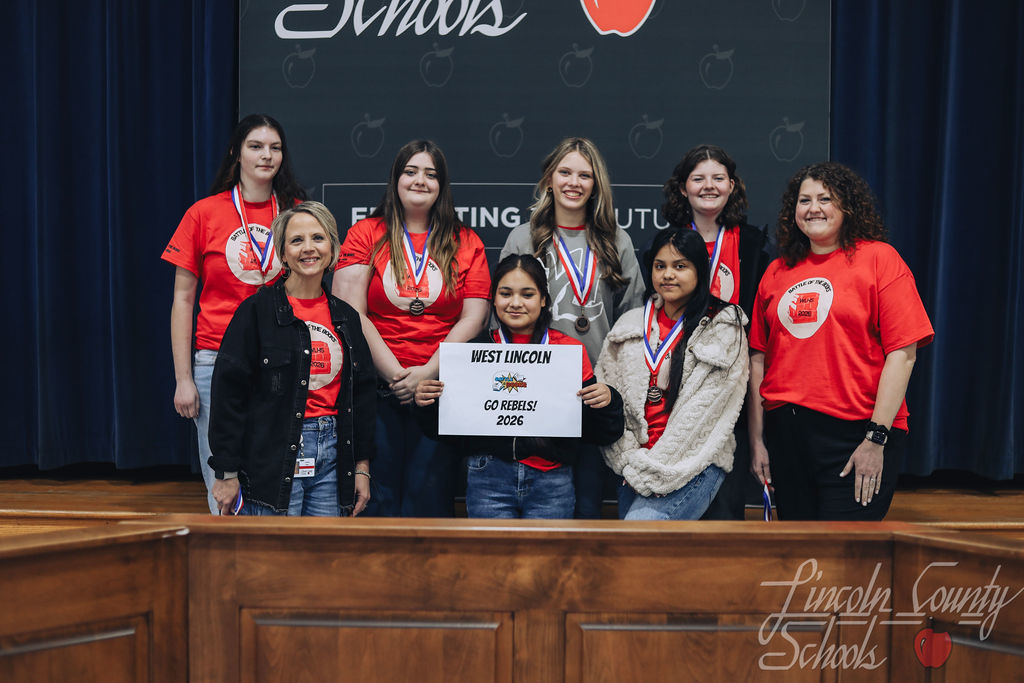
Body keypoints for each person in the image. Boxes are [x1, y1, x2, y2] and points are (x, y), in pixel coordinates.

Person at [748, 162, 934, 521]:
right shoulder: (777, 271)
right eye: (804, 200)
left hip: (856, 436)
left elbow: (903, 354)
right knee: (800, 558)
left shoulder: (880, 259)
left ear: (847, 206)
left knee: (847, 558)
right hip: (787, 437)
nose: (813, 207)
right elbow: (759, 358)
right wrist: (757, 441)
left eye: (825, 198)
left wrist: (876, 438)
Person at [332, 140, 490, 517]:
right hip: (376, 389)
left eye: (431, 174)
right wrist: (397, 376)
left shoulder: (465, 241)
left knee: (429, 499)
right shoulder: (365, 234)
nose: (420, 180)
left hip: (439, 390)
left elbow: (474, 317)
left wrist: (425, 372)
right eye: (411, 171)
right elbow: (351, 311)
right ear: (396, 179)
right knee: (377, 501)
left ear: (442, 185)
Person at [163, 114, 307, 513]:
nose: (267, 155)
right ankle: (229, 569)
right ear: (235, 153)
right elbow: (183, 301)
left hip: (282, 360)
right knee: (224, 485)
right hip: (216, 361)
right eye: (256, 146)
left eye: (275, 147)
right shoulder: (204, 214)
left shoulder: (297, 214)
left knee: (279, 479)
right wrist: (183, 379)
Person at [413, 254, 624, 519]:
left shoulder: (568, 352)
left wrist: (607, 400)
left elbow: (598, 431)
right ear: (494, 298)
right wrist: (426, 402)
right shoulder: (472, 352)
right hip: (487, 477)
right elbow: (444, 429)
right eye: (505, 293)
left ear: (543, 300)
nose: (515, 303)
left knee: (546, 561)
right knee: (493, 561)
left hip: (552, 480)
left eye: (527, 294)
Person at [500, 137, 644, 518]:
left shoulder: (616, 240)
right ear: (550, 178)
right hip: (534, 394)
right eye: (565, 172)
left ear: (596, 184)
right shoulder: (523, 237)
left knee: (586, 507)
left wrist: (614, 387)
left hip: (593, 390)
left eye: (585, 175)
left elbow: (635, 320)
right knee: (537, 504)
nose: (574, 182)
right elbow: (498, 316)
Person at [207, 202, 375, 516]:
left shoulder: (347, 318)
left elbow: (362, 397)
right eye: (297, 241)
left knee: (321, 560)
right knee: (270, 561)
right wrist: (226, 473)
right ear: (283, 254)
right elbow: (228, 396)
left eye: (318, 238)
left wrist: (361, 467)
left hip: (333, 459)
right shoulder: (256, 313)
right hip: (271, 459)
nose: (308, 248)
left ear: (332, 247)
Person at [596, 227, 749, 520]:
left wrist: (652, 469)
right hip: (633, 466)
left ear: (699, 271)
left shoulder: (723, 325)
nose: (668, 275)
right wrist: (629, 460)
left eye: (680, 266)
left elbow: (704, 414)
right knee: (645, 563)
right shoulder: (629, 324)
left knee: (634, 544)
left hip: (692, 465)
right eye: (660, 266)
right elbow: (612, 399)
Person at [661, 144, 774, 520]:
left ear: (731, 185)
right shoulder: (664, 245)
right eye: (698, 178)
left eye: (717, 178)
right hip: (678, 389)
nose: (708, 186)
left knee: (725, 504)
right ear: (683, 188)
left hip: (735, 391)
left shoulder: (756, 245)